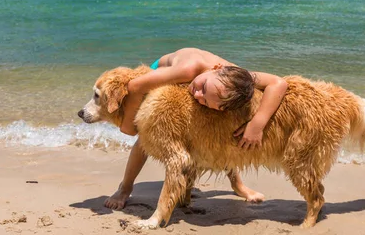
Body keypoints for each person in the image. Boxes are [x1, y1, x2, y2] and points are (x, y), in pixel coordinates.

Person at [105, 47, 288, 210]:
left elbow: (278, 83)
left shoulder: (238, 79)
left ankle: (237, 185)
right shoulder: (189, 70)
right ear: (217, 69)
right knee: (144, 139)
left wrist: (257, 124)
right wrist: (128, 126)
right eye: (203, 88)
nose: (197, 95)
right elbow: (135, 86)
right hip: (163, 73)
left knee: (220, 133)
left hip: (204, 81)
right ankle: (126, 187)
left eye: (205, 101)